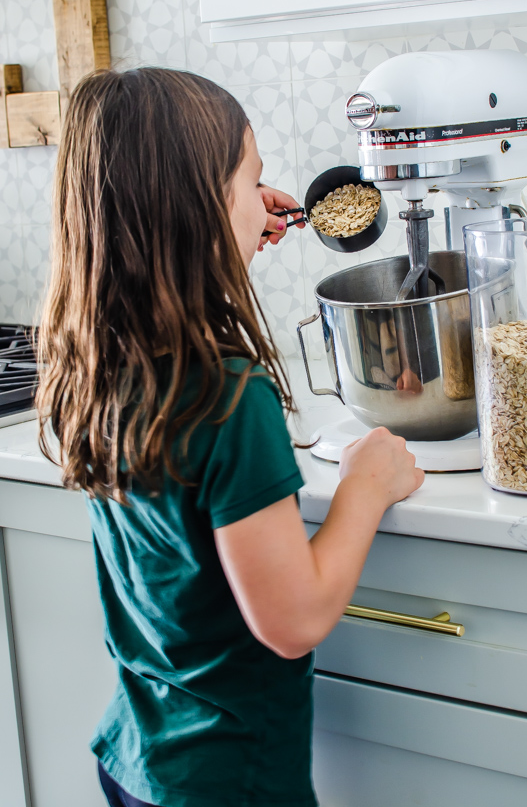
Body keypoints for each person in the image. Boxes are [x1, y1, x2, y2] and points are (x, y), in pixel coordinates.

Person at [36, 67, 424, 807]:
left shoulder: (99, 359)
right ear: (195, 213)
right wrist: (365, 487)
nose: (265, 201)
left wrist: (234, 220)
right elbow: (295, 620)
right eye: (253, 181)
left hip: (135, 756)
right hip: (228, 784)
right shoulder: (228, 396)